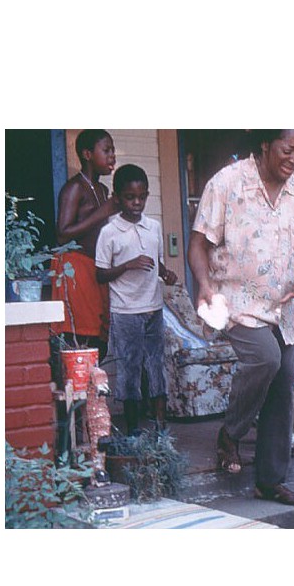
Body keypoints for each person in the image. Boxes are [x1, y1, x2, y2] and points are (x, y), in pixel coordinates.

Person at [187, 130, 294, 506]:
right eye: (287, 149)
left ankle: (270, 481)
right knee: (265, 358)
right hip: (235, 301)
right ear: (266, 144)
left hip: (283, 307)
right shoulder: (227, 183)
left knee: (283, 385)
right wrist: (204, 284)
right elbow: (198, 243)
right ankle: (230, 433)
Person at [95, 165, 178, 434]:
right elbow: (100, 274)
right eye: (130, 197)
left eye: (142, 197)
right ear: (117, 198)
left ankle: (161, 430)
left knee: (156, 366)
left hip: (153, 307)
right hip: (125, 311)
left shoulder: (153, 227)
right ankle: (132, 432)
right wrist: (127, 265)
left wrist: (166, 273)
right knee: (129, 369)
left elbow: (157, 262)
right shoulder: (109, 232)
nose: (137, 203)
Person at [51, 129, 120, 359]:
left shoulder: (102, 190)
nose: (112, 156)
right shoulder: (74, 188)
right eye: (106, 150)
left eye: (113, 150)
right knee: (80, 339)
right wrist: (102, 212)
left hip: (96, 269)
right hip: (75, 268)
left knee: (100, 339)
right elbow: (62, 234)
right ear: (87, 154)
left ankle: (93, 382)